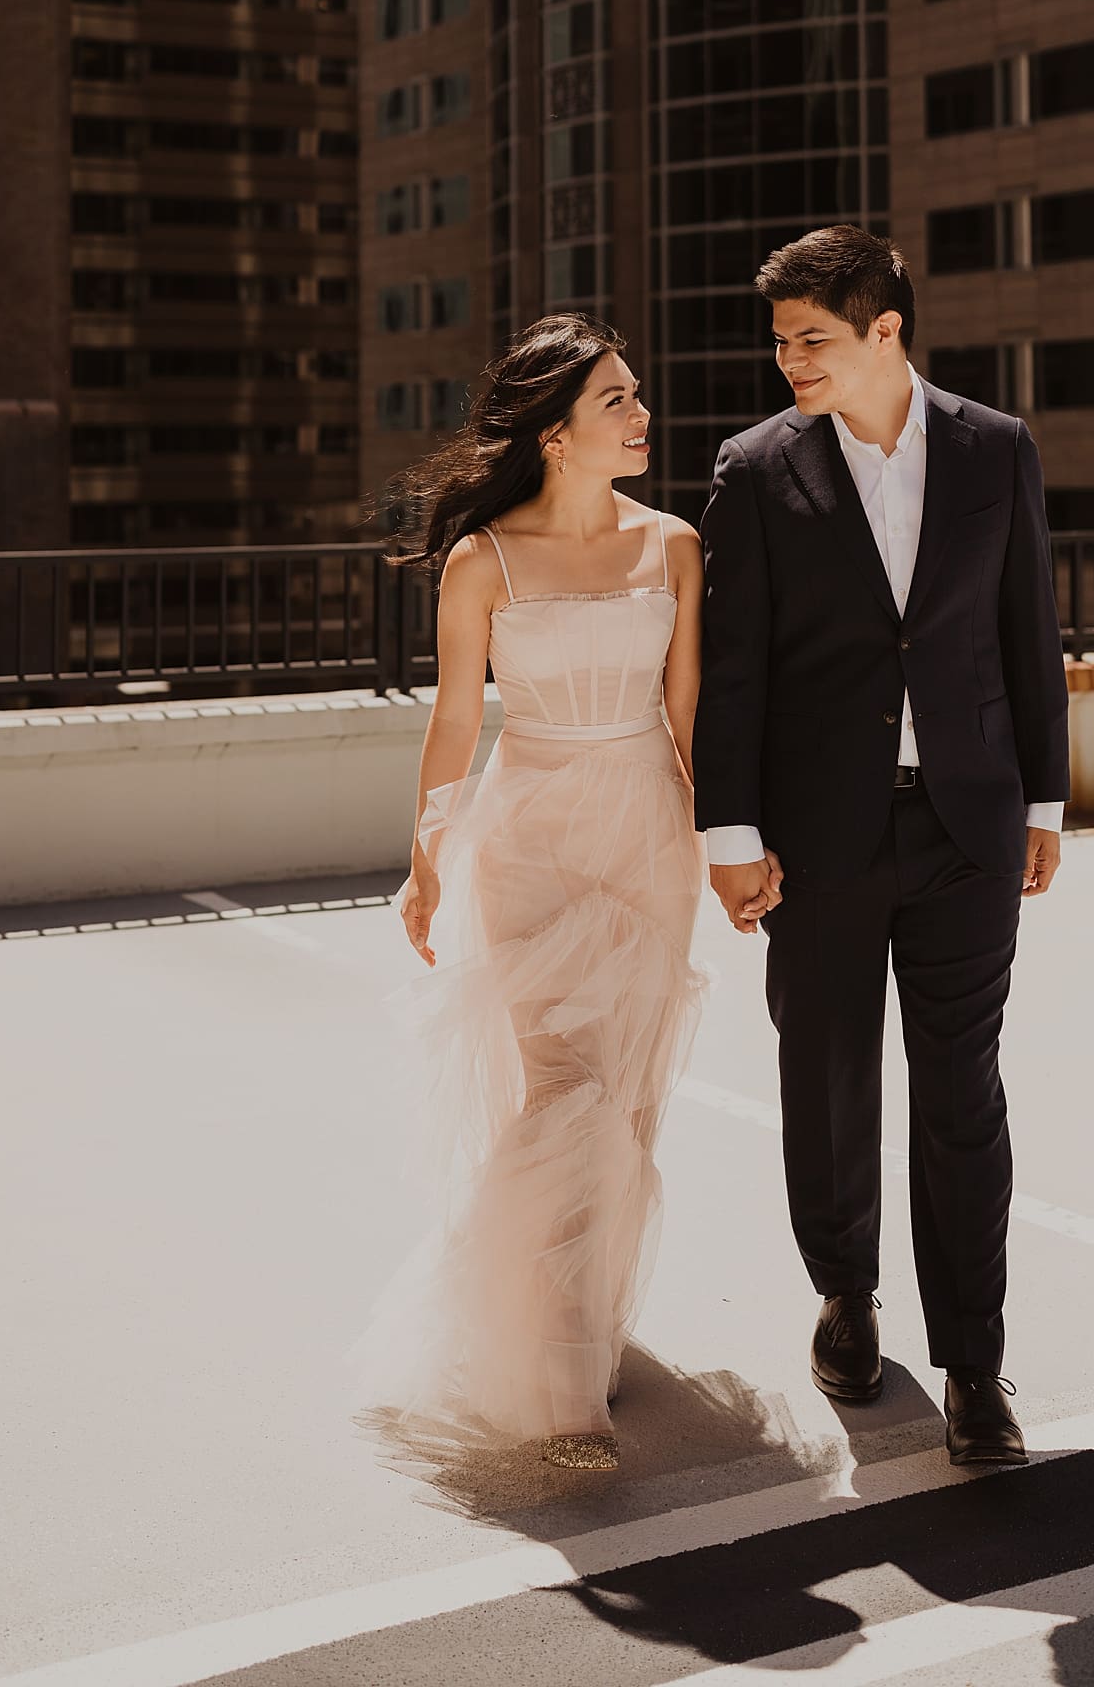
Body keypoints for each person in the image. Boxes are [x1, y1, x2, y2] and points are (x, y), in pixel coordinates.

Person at [357, 314, 764, 1471]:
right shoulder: (481, 559)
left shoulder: (674, 545)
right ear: (555, 433)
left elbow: (688, 722)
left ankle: (584, 1315)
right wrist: (426, 855)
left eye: (636, 395)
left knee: (629, 1098)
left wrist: (728, 847)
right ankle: (553, 1377)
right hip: (528, 832)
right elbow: (451, 719)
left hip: (647, 831)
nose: (643, 416)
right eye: (617, 402)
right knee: (557, 1097)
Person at [693, 226, 1068, 1470]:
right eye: (782, 340)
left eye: (813, 338)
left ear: (885, 331)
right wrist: (732, 835)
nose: (790, 359)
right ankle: (844, 1294)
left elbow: (1027, 634)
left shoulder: (993, 447)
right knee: (830, 1080)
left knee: (965, 1099)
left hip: (968, 823)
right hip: (820, 839)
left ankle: (975, 1367)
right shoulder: (755, 470)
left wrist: (1044, 803)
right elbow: (733, 670)